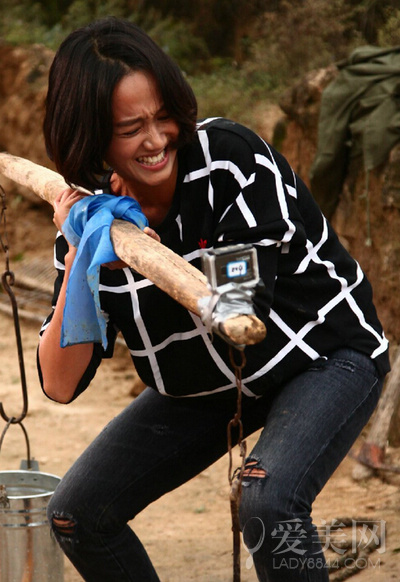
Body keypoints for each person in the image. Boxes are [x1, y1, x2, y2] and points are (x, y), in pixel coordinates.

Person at [37, 17, 390, 582]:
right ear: (91, 137)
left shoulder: (229, 160)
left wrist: (149, 257)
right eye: (130, 129)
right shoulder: (88, 219)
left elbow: (237, 311)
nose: (155, 141)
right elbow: (58, 383)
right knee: (78, 514)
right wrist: (82, 257)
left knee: (267, 505)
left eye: (161, 117)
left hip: (320, 356)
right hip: (206, 383)